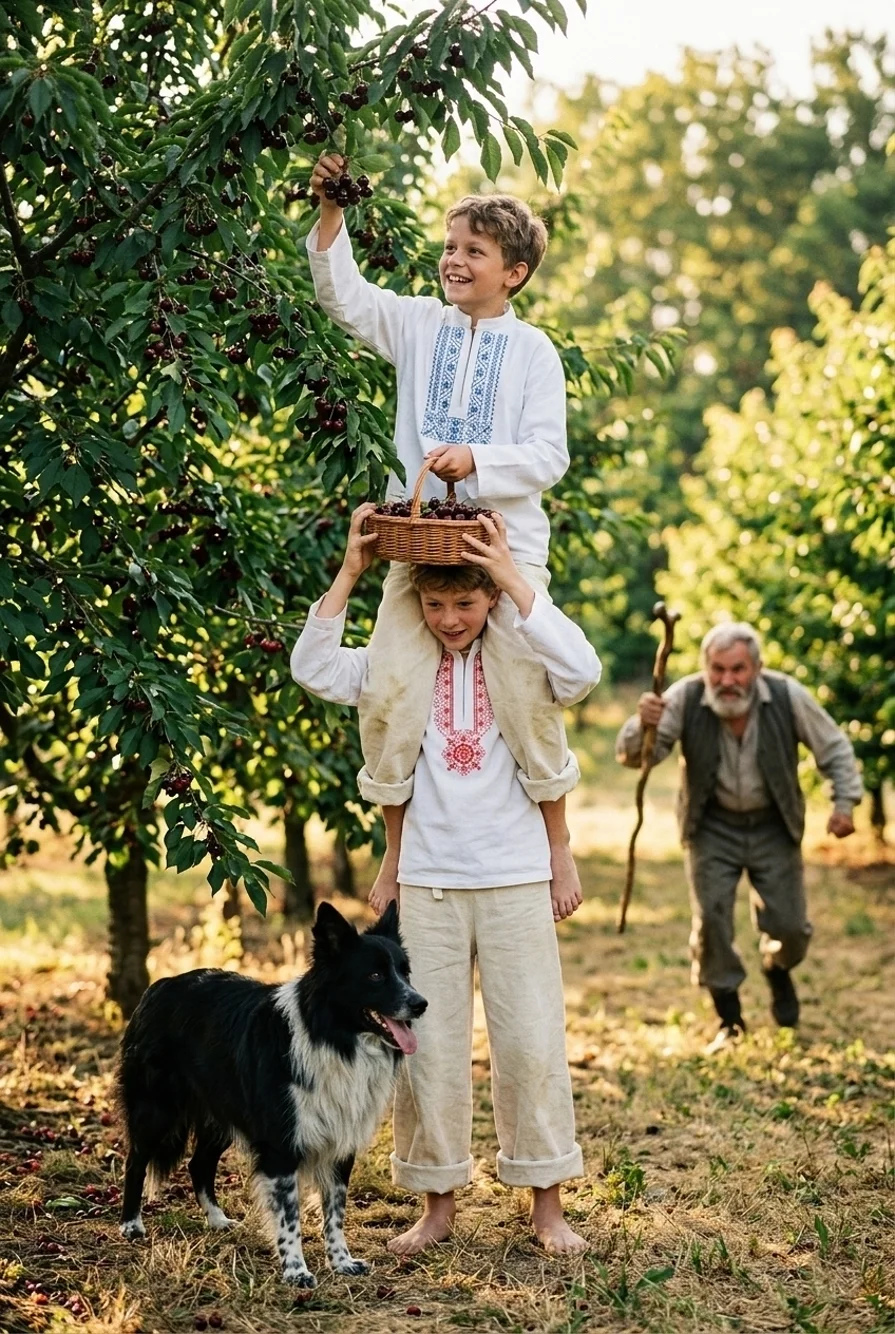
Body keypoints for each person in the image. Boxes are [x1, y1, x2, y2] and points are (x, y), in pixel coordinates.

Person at [291, 505, 602, 1254]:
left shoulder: (522, 654)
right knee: (421, 1046)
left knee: (529, 1043)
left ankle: (546, 1205)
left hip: (514, 876)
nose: (450, 619)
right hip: (426, 881)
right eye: (434, 604)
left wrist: (508, 574)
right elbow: (313, 668)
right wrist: (351, 570)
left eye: (465, 602)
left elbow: (583, 671)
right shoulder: (400, 663)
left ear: (489, 597)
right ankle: (436, 1204)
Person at [306, 154, 581, 922]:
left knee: (523, 688)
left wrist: (477, 461)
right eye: (451, 245)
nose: (453, 259)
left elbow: (548, 456)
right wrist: (332, 213)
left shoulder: (532, 353)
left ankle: (555, 840)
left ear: (513, 274)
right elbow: (346, 299)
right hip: (417, 541)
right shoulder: (418, 324)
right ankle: (395, 849)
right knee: (391, 684)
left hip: (502, 550)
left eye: (473, 251)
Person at [615, 622, 863, 1049]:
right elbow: (636, 756)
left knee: (791, 928)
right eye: (718, 670)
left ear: (757, 668)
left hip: (773, 824)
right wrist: (643, 724)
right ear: (705, 668)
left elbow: (834, 747)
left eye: (738, 670)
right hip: (712, 826)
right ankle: (729, 1018)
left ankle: (777, 968)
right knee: (711, 922)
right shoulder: (684, 697)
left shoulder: (786, 695)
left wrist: (844, 804)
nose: (727, 681)